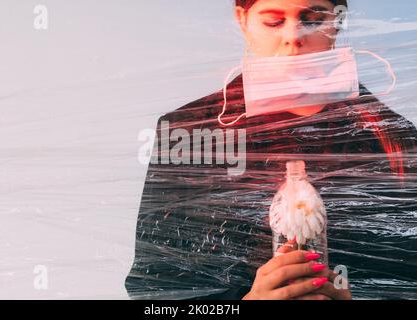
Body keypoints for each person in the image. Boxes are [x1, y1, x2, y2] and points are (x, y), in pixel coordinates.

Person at [125, 0, 417, 300]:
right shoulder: (190, 133)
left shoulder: (392, 139)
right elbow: (155, 294)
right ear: (242, 20)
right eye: (274, 22)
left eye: (313, 19)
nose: (293, 36)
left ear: (338, 20)